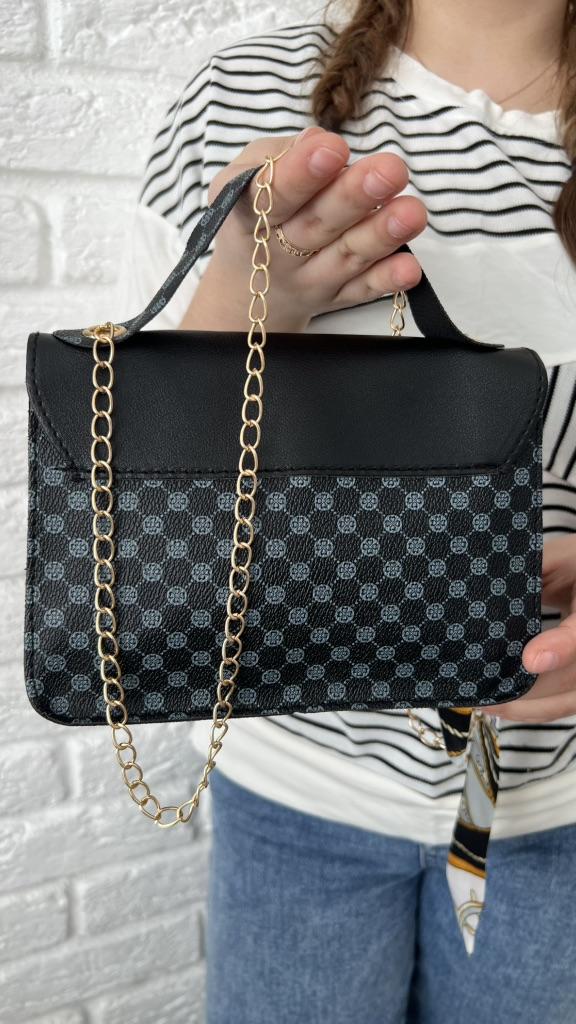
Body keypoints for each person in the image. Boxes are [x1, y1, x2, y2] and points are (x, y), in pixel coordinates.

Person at [114, 1, 576, 1020]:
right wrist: (249, 299)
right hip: (298, 782)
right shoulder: (240, 99)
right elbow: (136, 473)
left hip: (562, 812)